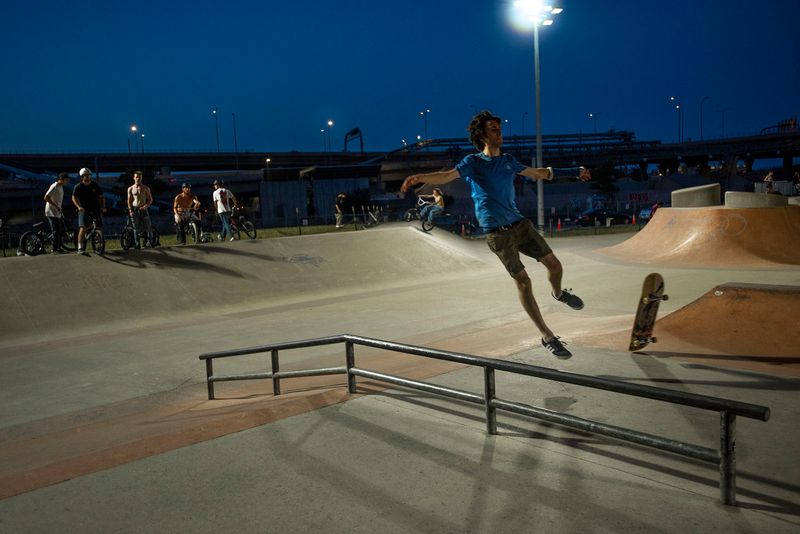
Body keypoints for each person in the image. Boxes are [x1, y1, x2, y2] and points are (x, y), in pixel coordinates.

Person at [400, 110, 591, 359]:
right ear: (482, 135)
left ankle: (558, 293)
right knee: (524, 281)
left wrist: (576, 171)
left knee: (554, 265)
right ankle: (548, 336)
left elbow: (540, 173)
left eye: (499, 129)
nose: (499, 133)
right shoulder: (472, 163)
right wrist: (419, 177)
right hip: (497, 234)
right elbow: (446, 176)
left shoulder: (509, 161)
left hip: (520, 225)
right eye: (493, 129)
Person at [71, 168, 105, 255]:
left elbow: (101, 197)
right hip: (83, 210)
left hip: (95, 209)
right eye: (85, 175)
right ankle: (80, 247)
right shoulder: (78, 186)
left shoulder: (95, 185)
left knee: (99, 227)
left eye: (89, 175)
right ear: (82, 177)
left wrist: (103, 207)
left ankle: (99, 242)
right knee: (83, 228)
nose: (87, 177)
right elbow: (74, 198)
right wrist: (79, 207)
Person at [44, 173, 70, 253]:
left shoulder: (61, 187)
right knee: (56, 230)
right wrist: (56, 206)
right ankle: (55, 249)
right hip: (51, 211)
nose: (67, 182)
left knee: (58, 230)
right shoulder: (54, 186)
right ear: (61, 179)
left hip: (56, 211)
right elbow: (46, 197)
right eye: (66, 180)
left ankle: (58, 247)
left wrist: (59, 208)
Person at [127, 170, 153, 248]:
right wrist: (130, 210)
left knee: (147, 226)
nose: (138, 178)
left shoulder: (145, 188)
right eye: (136, 177)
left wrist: (146, 206)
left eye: (139, 177)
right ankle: (137, 243)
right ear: (134, 178)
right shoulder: (130, 188)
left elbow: (150, 199)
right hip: (135, 209)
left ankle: (148, 242)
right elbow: (129, 201)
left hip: (143, 209)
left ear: (141, 178)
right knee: (135, 227)